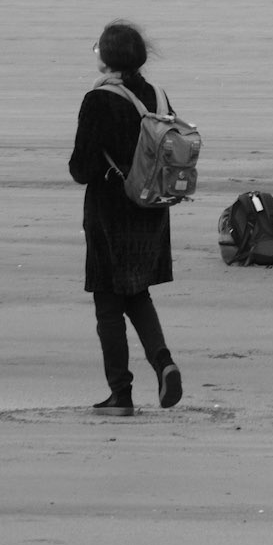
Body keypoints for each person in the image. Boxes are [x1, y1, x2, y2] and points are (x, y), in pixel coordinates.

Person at [67, 21, 184, 415]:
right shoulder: (158, 96)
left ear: (107, 57)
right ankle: (164, 362)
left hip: (110, 210)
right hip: (153, 207)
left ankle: (121, 393)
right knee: (137, 293)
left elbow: (81, 168)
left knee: (107, 301)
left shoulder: (98, 99)